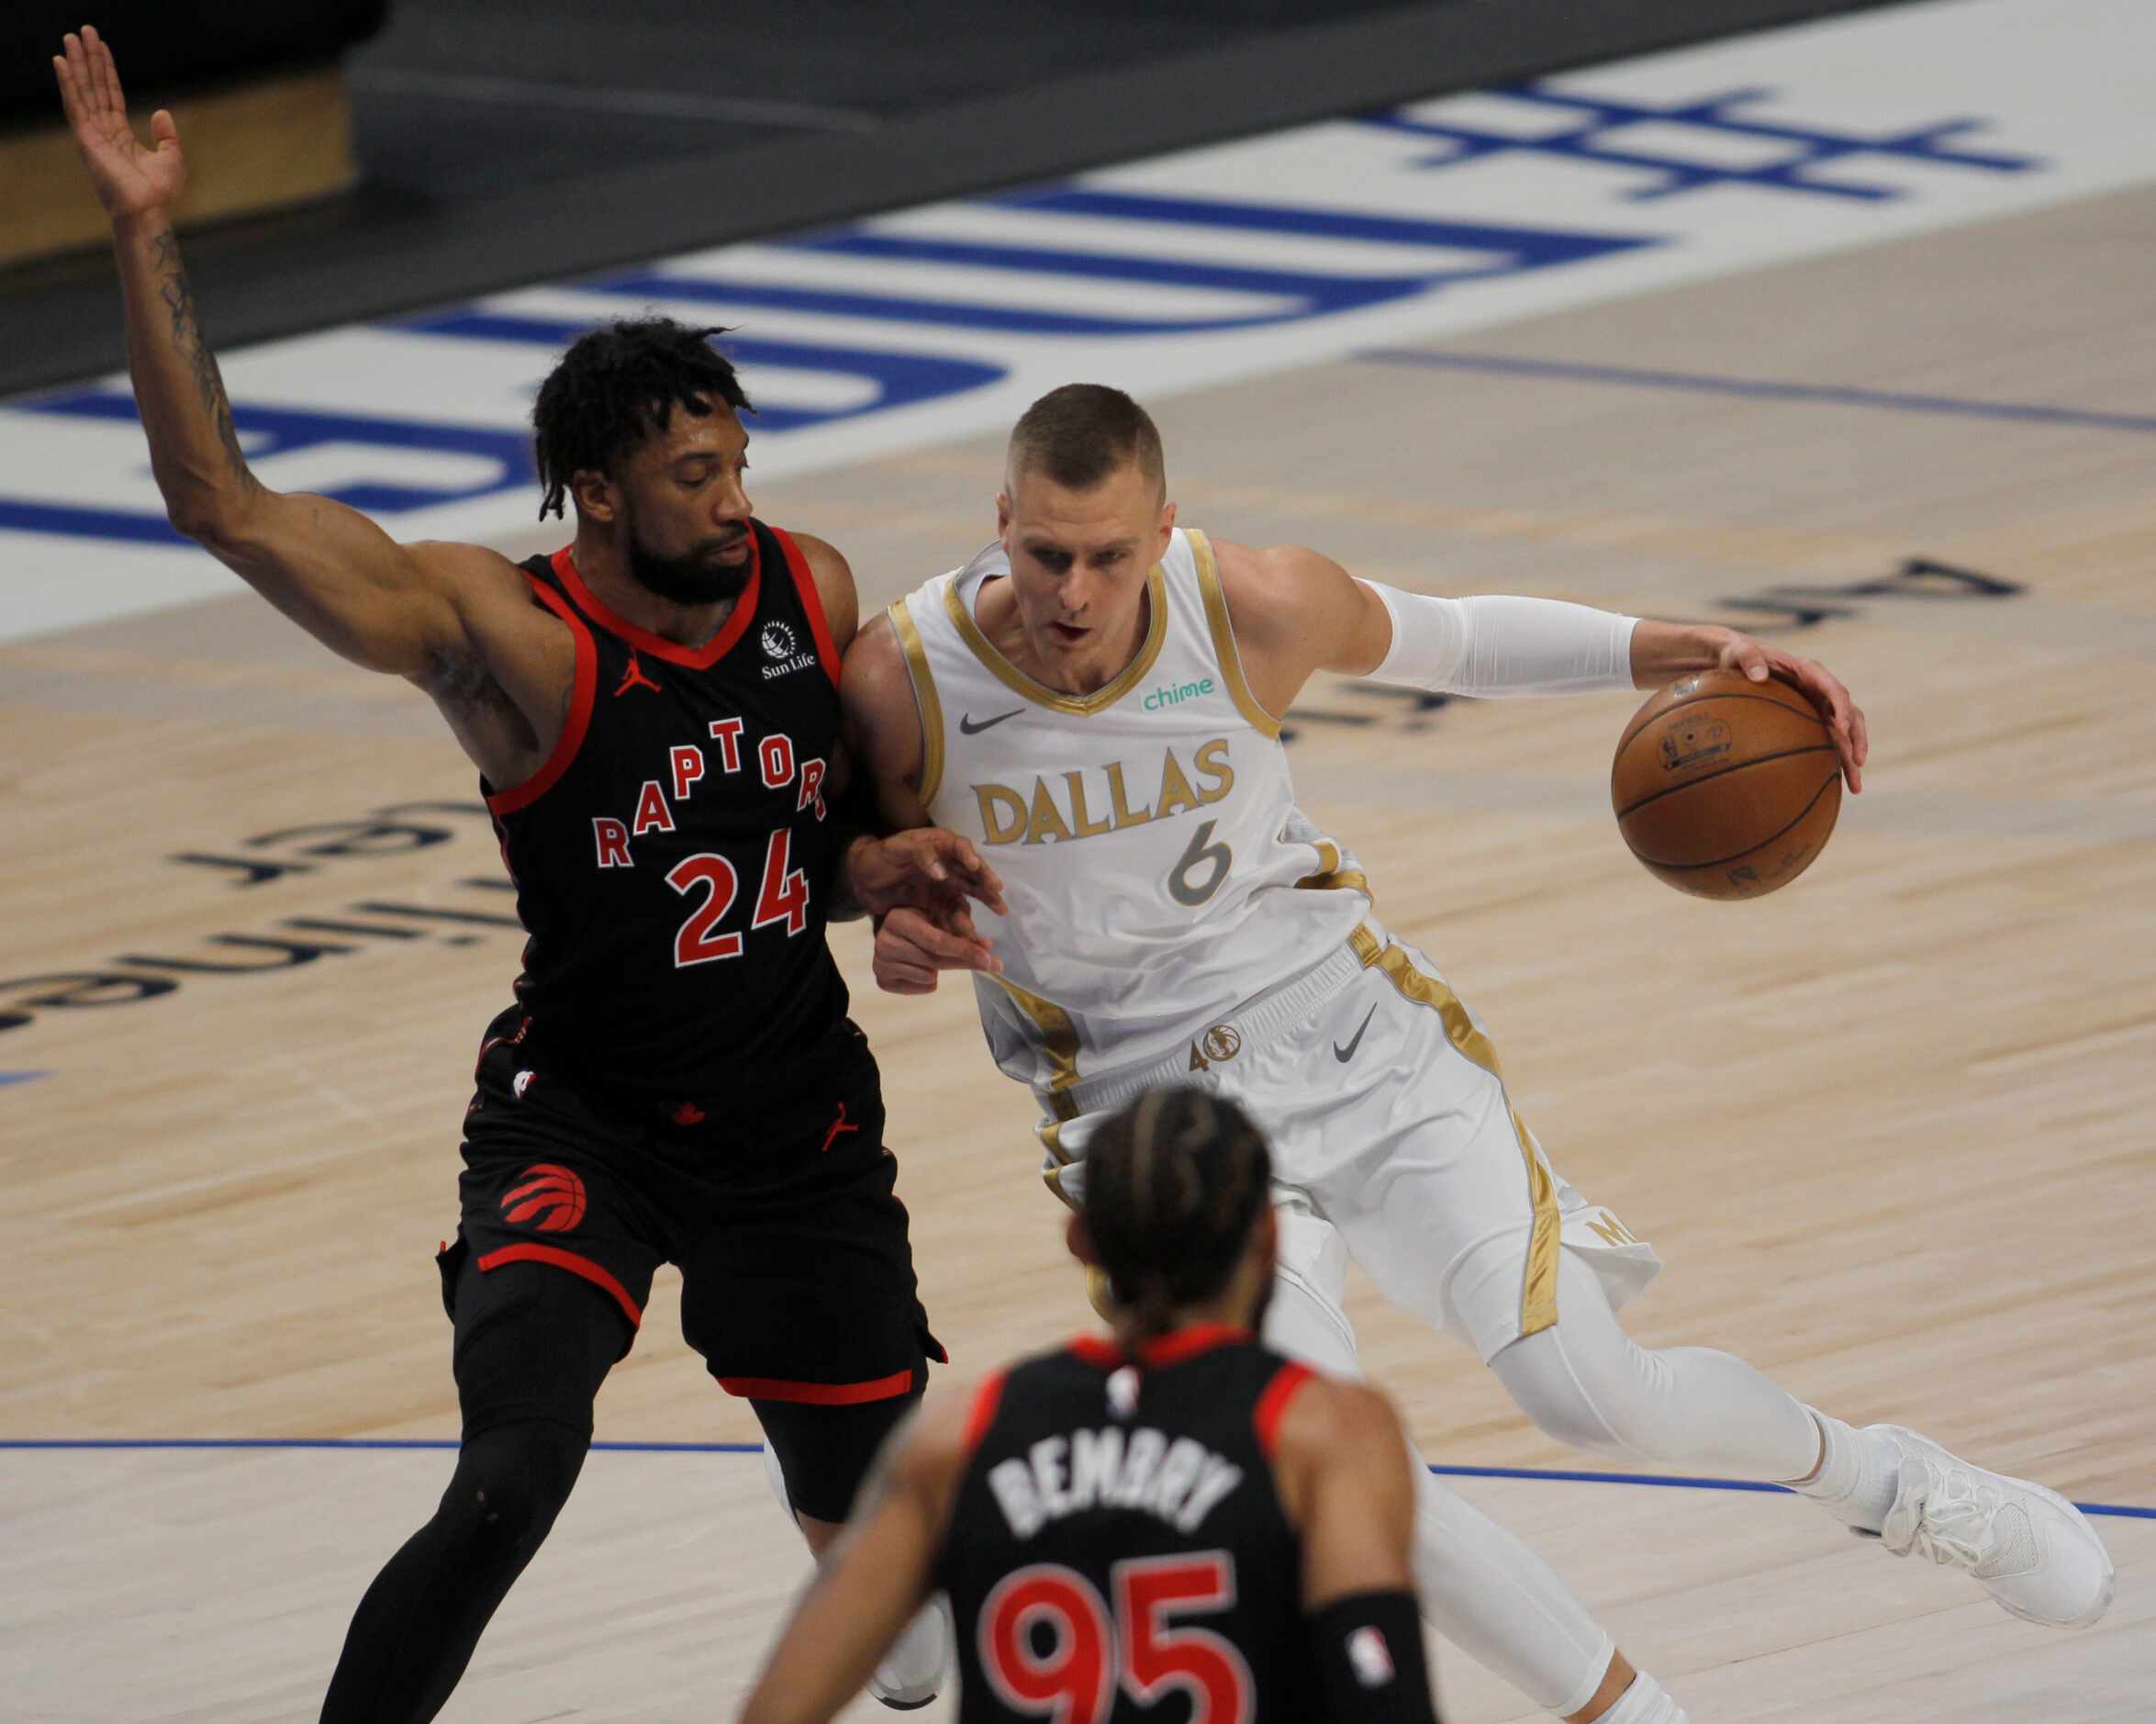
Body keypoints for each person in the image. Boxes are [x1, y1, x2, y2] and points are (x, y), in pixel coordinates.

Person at [840, 383, 2117, 1718]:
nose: (1076, 590)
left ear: (1164, 532)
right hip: (1148, 1126)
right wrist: (878, 900)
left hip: (1349, 1036)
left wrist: (1690, 644)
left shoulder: (1249, 604)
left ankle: (1896, 1485)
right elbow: (816, 856)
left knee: (1591, 1391)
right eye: (1046, 552)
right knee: (1336, 1466)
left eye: (1109, 554)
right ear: (1000, 524)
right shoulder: (901, 679)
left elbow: (1451, 637)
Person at [52, 29, 1003, 1719]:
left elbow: (833, 852)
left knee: (906, 1620)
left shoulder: (810, 583)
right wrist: (142, 227)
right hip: (585, 1114)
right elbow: (224, 504)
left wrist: (892, 864)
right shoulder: (506, 641)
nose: (731, 504)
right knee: (509, 1476)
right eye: (691, 478)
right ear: (593, 491)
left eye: (735, 464)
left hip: (794, 1120)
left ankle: (866, 1538)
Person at [740, 1086, 1446, 1724]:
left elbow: (778, 1710)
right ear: (1266, 1235)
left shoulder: (958, 1436)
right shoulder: (1318, 1432)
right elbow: (1385, 1701)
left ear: (1082, 1240)